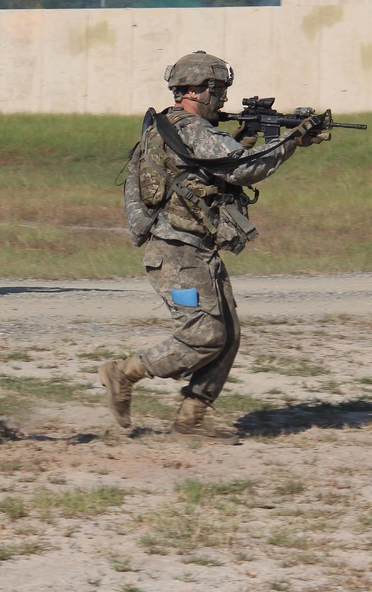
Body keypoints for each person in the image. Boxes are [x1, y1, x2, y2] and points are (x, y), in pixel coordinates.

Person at [99, 51, 328, 444]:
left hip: (196, 252)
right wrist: (291, 142)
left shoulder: (179, 127)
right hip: (175, 257)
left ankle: (189, 424)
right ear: (191, 90)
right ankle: (124, 372)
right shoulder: (190, 129)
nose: (223, 99)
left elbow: (209, 168)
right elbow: (242, 169)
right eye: (216, 90)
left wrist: (244, 139)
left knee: (229, 335)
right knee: (204, 336)